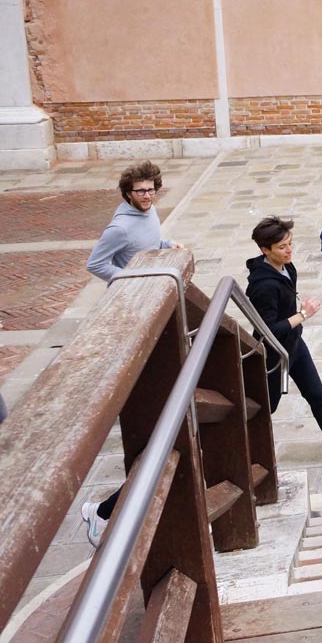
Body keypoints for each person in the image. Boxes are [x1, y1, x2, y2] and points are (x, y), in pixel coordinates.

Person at [79, 161, 183, 546]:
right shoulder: (119, 226)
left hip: (155, 307)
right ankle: (103, 513)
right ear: (126, 194)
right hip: (134, 311)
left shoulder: (150, 212)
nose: (147, 196)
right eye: (139, 192)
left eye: (151, 190)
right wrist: (131, 278)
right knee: (159, 424)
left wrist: (165, 245)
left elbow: (147, 243)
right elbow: (97, 264)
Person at [244, 217, 322, 461]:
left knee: (317, 397)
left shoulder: (287, 267)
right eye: (282, 247)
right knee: (265, 408)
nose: (289, 250)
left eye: (290, 244)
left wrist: (296, 314)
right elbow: (268, 330)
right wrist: (302, 314)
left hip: (294, 346)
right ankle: (247, 454)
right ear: (264, 250)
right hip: (272, 355)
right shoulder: (263, 287)